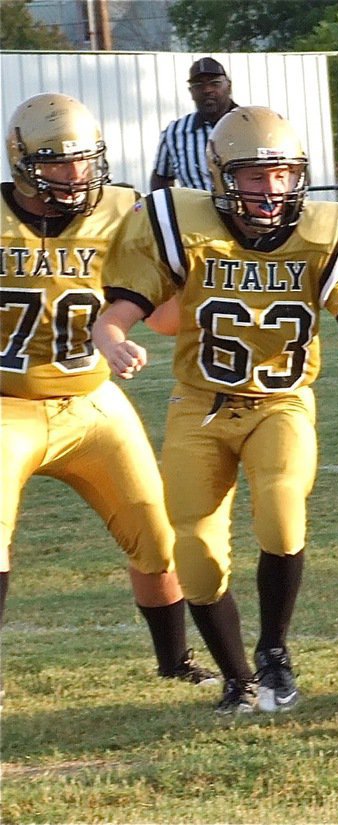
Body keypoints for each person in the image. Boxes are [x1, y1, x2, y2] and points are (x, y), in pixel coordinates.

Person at [93, 106, 338, 715]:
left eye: (282, 175)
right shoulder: (177, 222)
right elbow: (120, 309)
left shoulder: (329, 232)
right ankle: (238, 678)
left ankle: (274, 651)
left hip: (281, 402)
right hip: (199, 405)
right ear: (222, 176)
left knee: (280, 505)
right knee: (193, 550)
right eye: (253, 176)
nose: (270, 190)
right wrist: (112, 337)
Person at [0, 93, 216, 685]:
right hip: (6, 405)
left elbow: (165, 313)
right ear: (22, 161)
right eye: (56, 162)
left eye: (84, 161)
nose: (74, 176)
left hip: (93, 402)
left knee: (155, 531)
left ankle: (175, 665)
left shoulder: (122, 211)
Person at [149, 57, 237, 191]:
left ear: (229, 87)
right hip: (196, 211)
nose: (207, 90)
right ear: (191, 92)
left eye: (215, 83)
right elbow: (161, 179)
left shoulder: (252, 125)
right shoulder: (175, 133)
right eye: (198, 85)